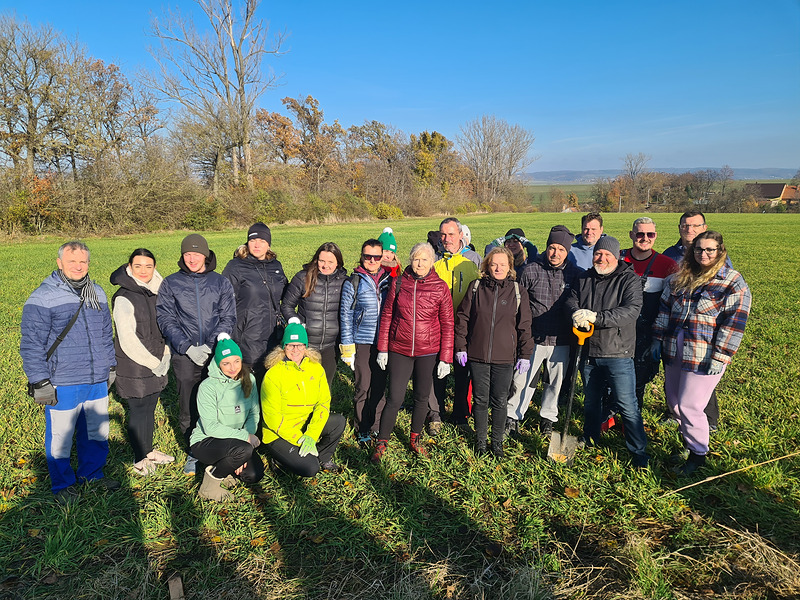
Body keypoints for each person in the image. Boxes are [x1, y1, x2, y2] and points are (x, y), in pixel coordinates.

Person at [21, 241, 118, 503]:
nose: (78, 266)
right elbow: (31, 344)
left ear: (89, 263)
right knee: (61, 438)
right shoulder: (43, 297)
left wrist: (110, 366)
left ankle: (92, 475)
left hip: (96, 379)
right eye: (72, 261)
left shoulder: (97, 293)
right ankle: (62, 484)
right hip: (62, 380)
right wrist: (39, 380)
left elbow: (105, 335)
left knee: (97, 432)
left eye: (83, 261)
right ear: (59, 263)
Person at [651, 231, 751, 475]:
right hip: (674, 349)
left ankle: (698, 455)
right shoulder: (680, 278)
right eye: (698, 249)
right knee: (675, 403)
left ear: (720, 251)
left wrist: (721, 355)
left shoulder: (732, 282)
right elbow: (665, 310)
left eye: (709, 250)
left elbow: (734, 322)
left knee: (690, 405)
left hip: (704, 354)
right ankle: (688, 442)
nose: (703, 254)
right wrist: (657, 339)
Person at [565, 236, 649, 468]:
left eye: (607, 255)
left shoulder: (629, 279)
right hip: (588, 350)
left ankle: (638, 452)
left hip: (618, 352)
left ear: (616, 256)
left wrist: (596, 317)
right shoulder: (584, 278)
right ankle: (590, 437)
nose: (601, 258)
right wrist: (575, 312)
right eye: (598, 254)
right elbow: (571, 300)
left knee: (627, 404)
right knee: (591, 401)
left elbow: (630, 311)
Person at [156, 234, 236, 475]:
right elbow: (166, 318)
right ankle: (194, 451)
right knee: (189, 404)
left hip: (215, 353)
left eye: (197, 254)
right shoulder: (171, 283)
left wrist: (212, 346)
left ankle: (221, 447)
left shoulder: (220, 282)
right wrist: (187, 347)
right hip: (185, 356)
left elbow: (228, 317)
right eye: (187, 254)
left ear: (206, 255)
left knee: (219, 402)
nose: (192, 259)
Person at [373, 243, 454, 462]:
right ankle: (382, 441)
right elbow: (387, 316)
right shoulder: (399, 282)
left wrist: (445, 358)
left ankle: (415, 439)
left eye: (424, 259)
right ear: (410, 259)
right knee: (394, 397)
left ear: (432, 262)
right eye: (416, 259)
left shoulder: (440, 287)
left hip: (428, 351)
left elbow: (448, 324)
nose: (420, 264)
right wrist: (382, 348)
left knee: (421, 397)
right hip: (399, 348)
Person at [454, 247, 533, 457]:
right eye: (494, 264)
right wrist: (461, 347)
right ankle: (481, 441)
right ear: (487, 266)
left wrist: (525, 354)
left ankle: (497, 442)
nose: (498, 268)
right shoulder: (476, 288)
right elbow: (463, 319)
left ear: (510, 267)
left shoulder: (518, 291)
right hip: (477, 355)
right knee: (480, 400)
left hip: (505, 357)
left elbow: (524, 326)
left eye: (503, 264)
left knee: (500, 400)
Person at [508, 225, 580, 438]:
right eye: (552, 248)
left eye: (561, 249)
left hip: (561, 339)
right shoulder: (530, 270)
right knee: (523, 379)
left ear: (567, 252)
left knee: (554, 382)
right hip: (533, 338)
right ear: (546, 248)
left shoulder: (575, 274)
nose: (555, 253)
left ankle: (548, 418)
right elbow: (517, 303)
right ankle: (513, 415)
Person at [661, 210, 731, 430]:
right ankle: (674, 414)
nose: (689, 229)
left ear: (704, 228)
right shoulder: (669, 254)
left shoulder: (718, 261)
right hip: (675, 328)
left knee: (699, 381)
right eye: (685, 225)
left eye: (695, 225)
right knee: (674, 377)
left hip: (703, 334)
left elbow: (726, 301)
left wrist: (720, 348)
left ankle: (707, 420)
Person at [110, 249, 173, 477]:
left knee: (149, 408)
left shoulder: (157, 292)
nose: (143, 271)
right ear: (130, 267)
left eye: (148, 266)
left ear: (154, 267)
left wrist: (166, 354)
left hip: (157, 361)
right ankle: (139, 459)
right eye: (138, 266)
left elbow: (165, 326)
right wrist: (152, 362)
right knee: (138, 411)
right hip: (134, 365)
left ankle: (149, 451)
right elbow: (127, 339)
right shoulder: (124, 297)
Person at [260, 322, 346, 476]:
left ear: (306, 347)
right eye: (290, 345)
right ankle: (279, 459)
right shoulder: (273, 375)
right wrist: (299, 438)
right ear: (283, 347)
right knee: (310, 468)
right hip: (279, 433)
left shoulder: (316, 368)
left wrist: (311, 435)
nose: (296, 350)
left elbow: (323, 402)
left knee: (338, 422)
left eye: (300, 345)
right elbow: (272, 419)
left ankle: (322, 457)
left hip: (304, 424)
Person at [189, 339, 264, 500]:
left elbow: (254, 413)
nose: (233, 367)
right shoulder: (208, 387)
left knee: (254, 474)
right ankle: (209, 488)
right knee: (242, 451)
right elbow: (210, 427)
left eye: (236, 361)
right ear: (218, 364)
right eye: (226, 363)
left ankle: (227, 464)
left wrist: (246, 440)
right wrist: (245, 440)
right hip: (206, 441)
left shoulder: (249, 379)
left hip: (237, 441)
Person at [339, 239, 392, 447]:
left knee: (379, 387)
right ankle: (362, 427)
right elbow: (346, 315)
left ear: (382, 258)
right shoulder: (353, 282)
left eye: (376, 257)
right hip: (362, 341)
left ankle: (376, 425)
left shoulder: (389, 280)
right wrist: (347, 347)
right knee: (363, 386)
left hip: (384, 343)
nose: (372, 260)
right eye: (367, 256)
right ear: (362, 256)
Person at [621, 218, 678, 408]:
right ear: (631, 235)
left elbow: (672, 305)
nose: (645, 238)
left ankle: (631, 418)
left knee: (639, 380)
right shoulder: (617, 258)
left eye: (650, 234)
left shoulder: (667, 265)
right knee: (611, 378)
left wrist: (657, 340)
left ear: (655, 236)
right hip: (617, 332)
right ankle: (608, 416)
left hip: (647, 334)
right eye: (640, 234)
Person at [222, 222, 288, 385]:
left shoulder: (275, 266)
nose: (257, 245)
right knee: (250, 385)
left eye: (262, 241)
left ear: (268, 244)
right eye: (253, 240)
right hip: (248, 335)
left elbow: (286, 293)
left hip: (274, 335)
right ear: (247, 243)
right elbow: (224, 302)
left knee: (271, 383)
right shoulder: (235, 266)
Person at [431, 217, 480, 430]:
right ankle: (435, 414)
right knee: (437, 372)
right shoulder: (434, 261)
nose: (446, 239)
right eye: (443, 234)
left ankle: (461, 416)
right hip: (438, 327)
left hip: (464, 328)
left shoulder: (474, 260)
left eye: (451, 234)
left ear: (461, 235)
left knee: (463, 373)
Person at [281, 242, 347, 389]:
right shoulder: (303, 278)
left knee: (324, 386)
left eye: (330, 262)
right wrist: (295, 322)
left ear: (338, 263)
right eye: (322, 261)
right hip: (306, 345)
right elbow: (286, 305)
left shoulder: (344, 282)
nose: (325, 266)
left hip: (331, 346)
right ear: (316, 260)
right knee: (302, 387)